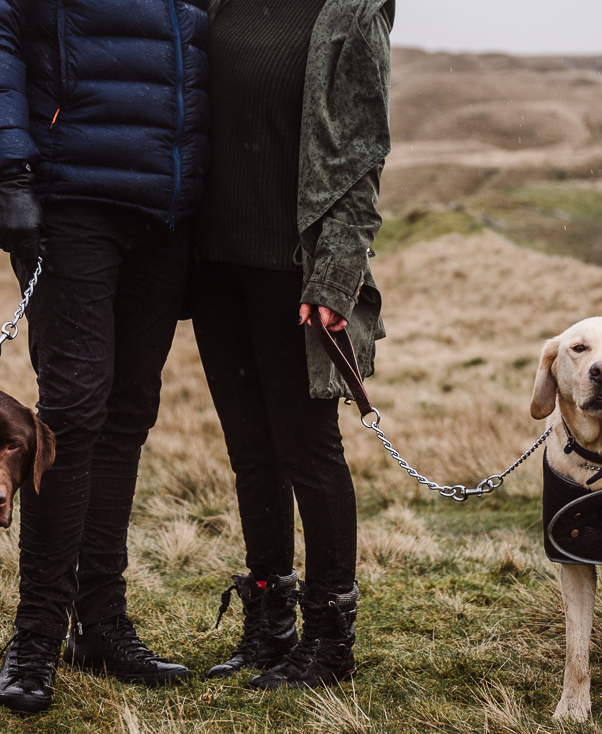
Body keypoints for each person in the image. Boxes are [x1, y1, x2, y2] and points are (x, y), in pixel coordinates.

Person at [0, 0, 210, 712]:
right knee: (75, 410)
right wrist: (6, 171)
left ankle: (102, 624)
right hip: (72, 196)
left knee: (126, 414)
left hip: (170, 207)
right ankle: (36, 634)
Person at [193, 0, 393, 689]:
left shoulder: (348, 14)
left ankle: (330, 641)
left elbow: (363, 154)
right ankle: (270, 623)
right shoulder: (217, 7)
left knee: (308, 453)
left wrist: (336, 276)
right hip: (215, 270)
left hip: (295, 277)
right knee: (251, 454)